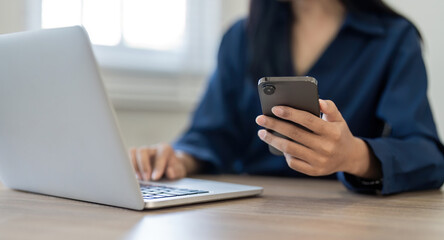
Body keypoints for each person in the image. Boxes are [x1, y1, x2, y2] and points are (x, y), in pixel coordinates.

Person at [129, 0, 444, 195]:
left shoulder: (393, 39)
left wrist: (353, 156)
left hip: (342, 215)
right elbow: (211, 134)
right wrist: (179, 159)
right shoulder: (241, 37)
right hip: (248, 210)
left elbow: (429, 157)